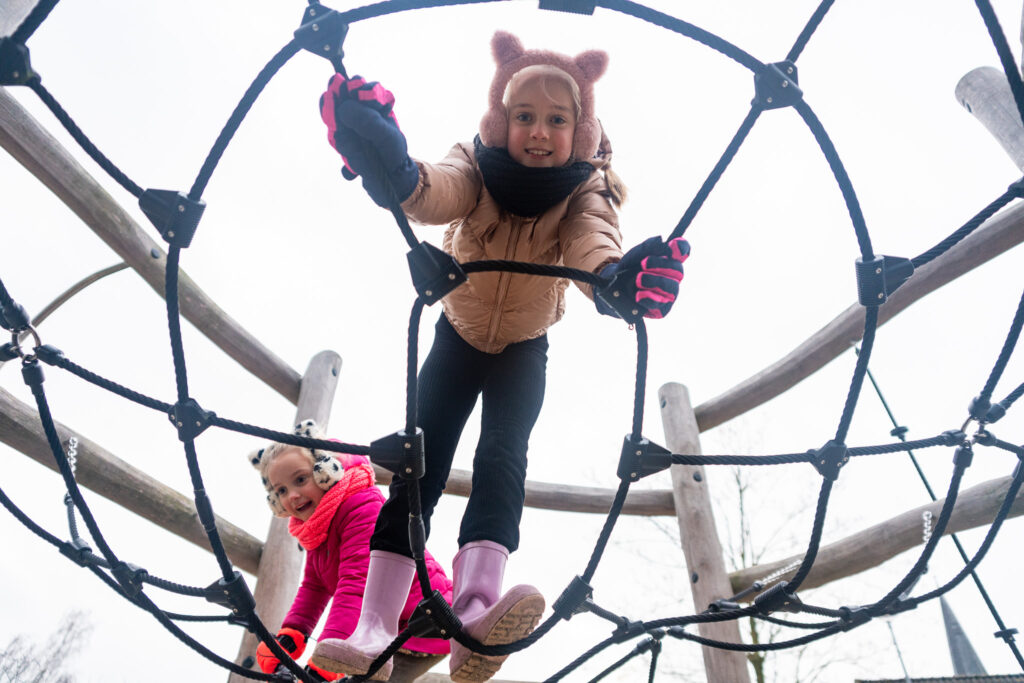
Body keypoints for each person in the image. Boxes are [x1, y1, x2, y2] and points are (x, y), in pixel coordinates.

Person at [312, 31, 690, 683]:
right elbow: (439, 190)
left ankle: (477, 613)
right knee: (417, 462)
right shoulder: (478, 162)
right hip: (456, 336)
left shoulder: (584, 192)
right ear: (500, 118)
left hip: (523, 348)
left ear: (580, 128)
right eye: (524, 117)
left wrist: (617, 282)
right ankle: (374, 621)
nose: (538, 132)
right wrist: (395, 167)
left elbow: (591, 243)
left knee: (503, 458)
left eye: (555, 120)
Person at [249, 419, 453, 682]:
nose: (292, 496)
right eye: (281, 491)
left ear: (326, 470)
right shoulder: (320, 526)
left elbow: (356, 583)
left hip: (423, 624)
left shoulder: (361, 507)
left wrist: (328, 652)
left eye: (300, 479)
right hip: (388, 629)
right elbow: (314, 586)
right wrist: (290, 634)